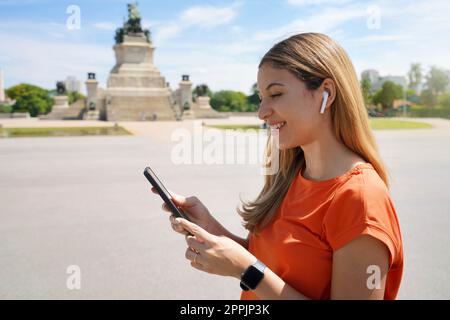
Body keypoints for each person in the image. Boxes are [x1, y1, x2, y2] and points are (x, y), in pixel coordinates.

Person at [150, 32, 403, 300]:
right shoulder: (290, 176)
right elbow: (280, 268)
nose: (262, 112)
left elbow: (258, 273)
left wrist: (246, 271)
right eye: (261, 97)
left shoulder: (361, 199)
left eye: (276, 94)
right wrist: (214, 231)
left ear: (325, 93)